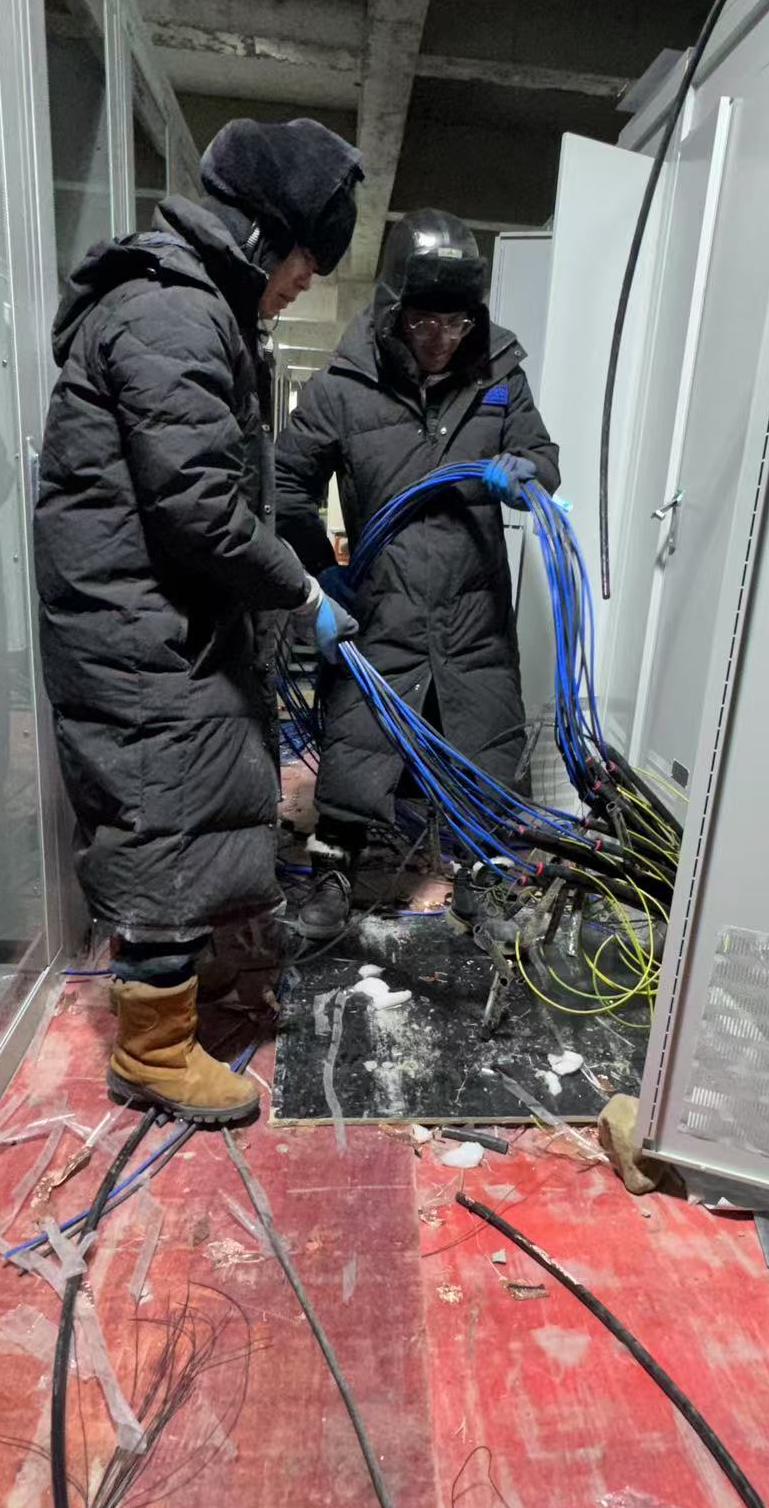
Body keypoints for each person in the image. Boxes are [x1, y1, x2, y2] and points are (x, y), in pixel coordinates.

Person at [35, 118, 363, 1123]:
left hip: (161, 616)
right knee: (161, 810)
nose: (303, 282)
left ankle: (188, 980)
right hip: (139, 626)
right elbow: (196, 508)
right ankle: (152, 1050)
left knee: (194, 791)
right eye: (304, 261)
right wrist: (301, 591)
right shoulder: (172, 310)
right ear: (264, 235)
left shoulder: (192, 306)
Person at [275, 208, 560, 940]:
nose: (440, 339)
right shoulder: (344, 386)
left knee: (484, 754)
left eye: (456, 323)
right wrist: (321, 573)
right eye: (424, 322)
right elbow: (285, 485)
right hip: (382, 607)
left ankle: (484, 882)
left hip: (473, 615)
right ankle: (335, 873)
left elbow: (544, 457)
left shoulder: (500, 375)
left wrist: (525, 469)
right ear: (393, 312)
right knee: (355, 750)